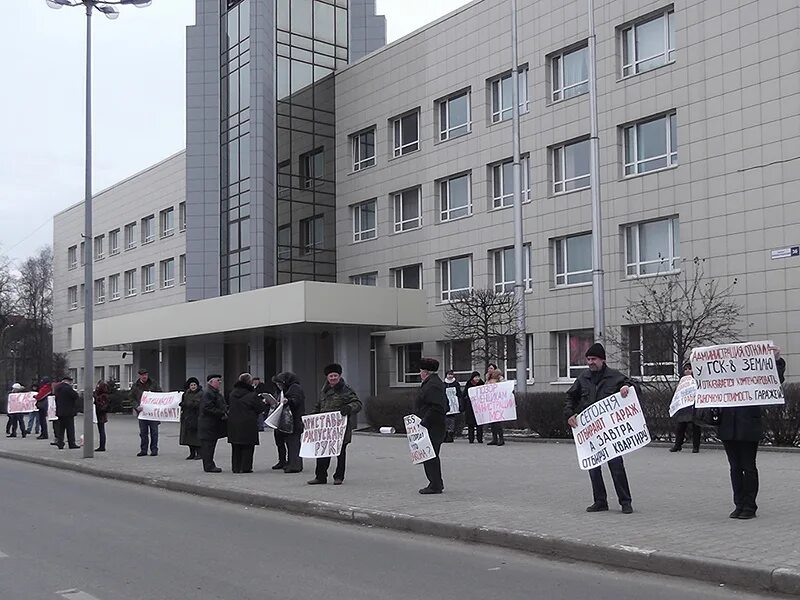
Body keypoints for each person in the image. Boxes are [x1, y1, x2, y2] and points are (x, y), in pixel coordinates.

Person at [565, 342, 636, 514]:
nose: (590, 362)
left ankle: (625, 502)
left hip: (611, 433)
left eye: (594, 359)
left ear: (602, 360)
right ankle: (600, 501)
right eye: (588, 359)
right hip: (591, 432)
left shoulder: (615, 377)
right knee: (594, 468)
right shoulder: (583, 378)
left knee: (616, 466)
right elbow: (570, 398)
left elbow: (634, 388)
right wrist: (569, 414)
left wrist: (627, 388)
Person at [307, 363, 362, 485]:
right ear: (327, 377)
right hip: (325, 429)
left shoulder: (346, 389)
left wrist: (348, 408)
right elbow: (319, 405)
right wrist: (311, 417)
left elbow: (357, 403)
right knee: (322, 452)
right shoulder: (324, 390)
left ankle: (339, 477)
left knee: (340, 453)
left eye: (335, 375)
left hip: (340, 429)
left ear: (339, 376)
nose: (333, 378)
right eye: (331, 376)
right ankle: (320, 476)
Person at [718, 403, 762, 520]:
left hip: (748, 425)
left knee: (748, 467)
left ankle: (749, 506)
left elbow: (773, 384)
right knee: (735, 467)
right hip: (728, 425)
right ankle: (739, 504)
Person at [415, 357, 447, 494]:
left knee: (431, 456)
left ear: (426, 372)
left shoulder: (433, 385)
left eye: (421, 371)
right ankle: (435, 483)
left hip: (433, 426)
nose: (419, 373)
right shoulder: (432, 383)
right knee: (429, 455)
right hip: (432, 425)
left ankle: (435, 485)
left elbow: (436, 407)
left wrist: (424, 421)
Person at [227, 373, 267, 474]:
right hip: (248, 423)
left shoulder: (232, 393)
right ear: (249, 382)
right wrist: (264, 402)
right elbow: (259, 408)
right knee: (248, 446)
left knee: (236, 446)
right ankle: (245, 467)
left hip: (234, 423)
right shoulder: (252, 394)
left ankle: (236, 467)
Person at [271, 372, 305, 474]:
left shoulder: (295, 388)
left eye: (280, 383)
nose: (278, 385)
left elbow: (296, 401)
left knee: (293, 443)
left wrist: (288, 401)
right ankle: (290, 463)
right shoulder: (287, 389)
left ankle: (294, 465)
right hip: (288, 420)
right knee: (290, 442)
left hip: (293, 420)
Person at [128, 368, 162, 457]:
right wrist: (136, 406)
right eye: (143, 375)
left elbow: (160, 394)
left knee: (154, 432)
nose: (144, 377)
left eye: (146, 375)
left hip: (153, 412)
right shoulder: (136, 386)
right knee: (143, 432)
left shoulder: (153, 384)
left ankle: (154, 449)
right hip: (142, 413)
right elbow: (131, 398)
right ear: (140, 376)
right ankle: (144, 450)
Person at [670, 362, 702, 453]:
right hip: (684, 407)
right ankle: (677, 445)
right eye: (686, 369)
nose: (688, 371)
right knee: (680, 427)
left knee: (696, 427)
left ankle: (696, 447)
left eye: (689, 369)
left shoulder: (696, 379)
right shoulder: (682, 381)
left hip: (694, 406)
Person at [198, 374, 226, 473]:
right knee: (208, 446)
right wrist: (221, 412)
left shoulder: (214, 392)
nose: (220, 382)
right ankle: (209, 466)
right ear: (211, 382)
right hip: (208, 424)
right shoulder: (208, 393)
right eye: (218, 380)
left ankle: (209, 464)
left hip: (211, 424)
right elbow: (207, 408)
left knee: (210, 445)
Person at [53, 374, 80, 450]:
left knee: (61, 428)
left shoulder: (57, 388)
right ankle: (72, 443)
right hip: (68, 411)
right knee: (70, 428)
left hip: (60, 411)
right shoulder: (67, 388)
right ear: (68, 381)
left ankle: (60, 443)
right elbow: (75, 396)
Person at [179, 377, 203, 460]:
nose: (193, 386)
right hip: (187, 418)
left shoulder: (200, 393)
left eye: (194, 385)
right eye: (191, 385)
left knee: (196, 437)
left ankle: (199, 453)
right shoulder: (186, 394)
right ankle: (192, 453)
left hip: (196, 418)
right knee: (188, 437)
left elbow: (196, 404)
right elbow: (184, 403)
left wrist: (185, 404)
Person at [485, 364, 505, 446]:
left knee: (498, 421)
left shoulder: (500, 378)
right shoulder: (487, 378)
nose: (489, 370)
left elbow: (503, 387)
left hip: (498, 402)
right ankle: (494, 439)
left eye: (491, 368)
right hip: (490, 402)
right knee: (492, 422)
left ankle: (501, 439)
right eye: (488, 368)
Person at [462, 371, 484, 443]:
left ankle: (479, 438)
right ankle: (471, 439)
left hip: (479, 406)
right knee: (470, 424)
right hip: (470, 406)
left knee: (479, 424)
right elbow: (464, 394)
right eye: (475, 377)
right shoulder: (469, 384)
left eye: (478, 377)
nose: (477, 378)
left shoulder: (481, 384)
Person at [443, 370, 461, 443]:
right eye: (449, 374)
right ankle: (445, 434)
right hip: (446, 402)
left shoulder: (456, 383)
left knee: (451, 420)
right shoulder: (443, 384)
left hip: (454, 403)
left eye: (451, 374)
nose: (450, 376)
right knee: (446, 420)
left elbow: (459, 393)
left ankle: (450, 435)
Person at [93, 380, 110, 452]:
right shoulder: (103, 395)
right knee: (101, 430)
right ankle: (101, 445)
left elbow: (102, 405)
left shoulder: (103, 396)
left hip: (100, 414)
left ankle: (102, 446)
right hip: (100, 414)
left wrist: (96, 399)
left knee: (101, 430)